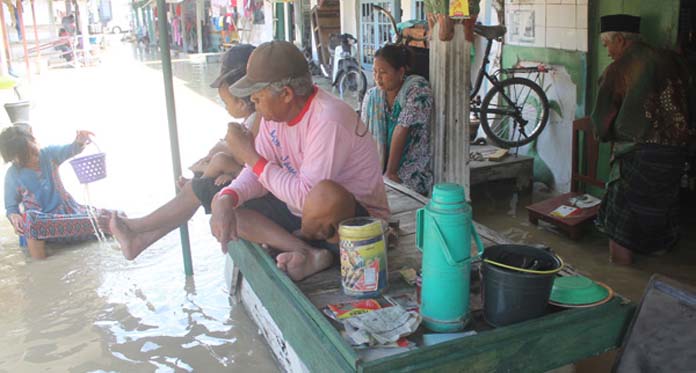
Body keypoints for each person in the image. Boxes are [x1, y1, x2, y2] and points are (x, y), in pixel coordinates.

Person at [210, 40, 390, 281]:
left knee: (325, 195)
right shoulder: (272, 119)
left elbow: (308, 198)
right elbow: (258, 176)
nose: (253, 103)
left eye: (258, 97)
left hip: (349, 223)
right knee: (227, 208)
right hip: (303, 217)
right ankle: (307, 252)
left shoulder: (328, 118)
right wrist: (228, 196)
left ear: (286, 94)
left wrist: (250, 157)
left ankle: (302, 247)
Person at [109, 44, 259, 260]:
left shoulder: (259, 117)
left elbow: (246, 157)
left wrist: (219, 166)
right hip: (250, 176)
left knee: (199, 186)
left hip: (261, 185)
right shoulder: (252, 117)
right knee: (199, 183)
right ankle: (139, 238)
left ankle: (138, 229)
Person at [591, 14, 694, 265]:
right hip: (677, 154)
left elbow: (601, 126)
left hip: (638, 155)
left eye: (607, 45)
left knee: (620, 227)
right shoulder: (673, 60)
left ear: (620, 40)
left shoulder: (619, 70)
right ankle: (657, 279)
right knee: (660, 212)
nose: (608, 51)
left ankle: (621, 281)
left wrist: (605, 133)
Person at [1, 125, 111, 259]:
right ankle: (40, 266)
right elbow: (11, 208)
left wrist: (79, 142)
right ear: (14, 159)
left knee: (111, 218)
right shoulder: (13, 175)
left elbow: (70, 150)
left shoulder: (49, 155)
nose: (34, 159)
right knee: (29, 218)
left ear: (35, 142)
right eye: (26, 158)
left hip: (67, 218)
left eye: (34, 152)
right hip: (40, 227)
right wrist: (14, 217)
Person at [361, 44, 434, 196]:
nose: (377, 78)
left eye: (383, 72)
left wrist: (390, 173)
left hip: (412, 168)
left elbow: (402, 128)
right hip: (381, 169)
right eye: (374, 72)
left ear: (400, 72)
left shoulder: (417, 89)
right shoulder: (373, 96)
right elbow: (363, 135)